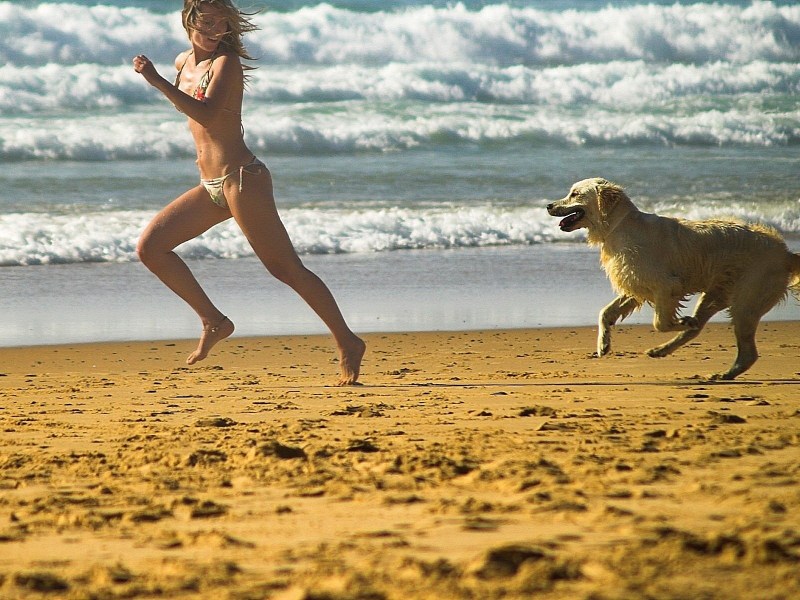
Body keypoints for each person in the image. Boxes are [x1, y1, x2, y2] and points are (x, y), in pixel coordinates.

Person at [132, 0, 365, 384]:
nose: (215, 30)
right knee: (151, 248)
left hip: (242, 179)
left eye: (221, 24)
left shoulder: (227, 63)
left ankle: (347, 341)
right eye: (206, 22)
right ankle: (213, 320)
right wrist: (164, 77)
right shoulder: (182, 63)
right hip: (210, 186)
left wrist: (154, 81)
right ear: (189, 21)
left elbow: (206, 115)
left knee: (286, 269)